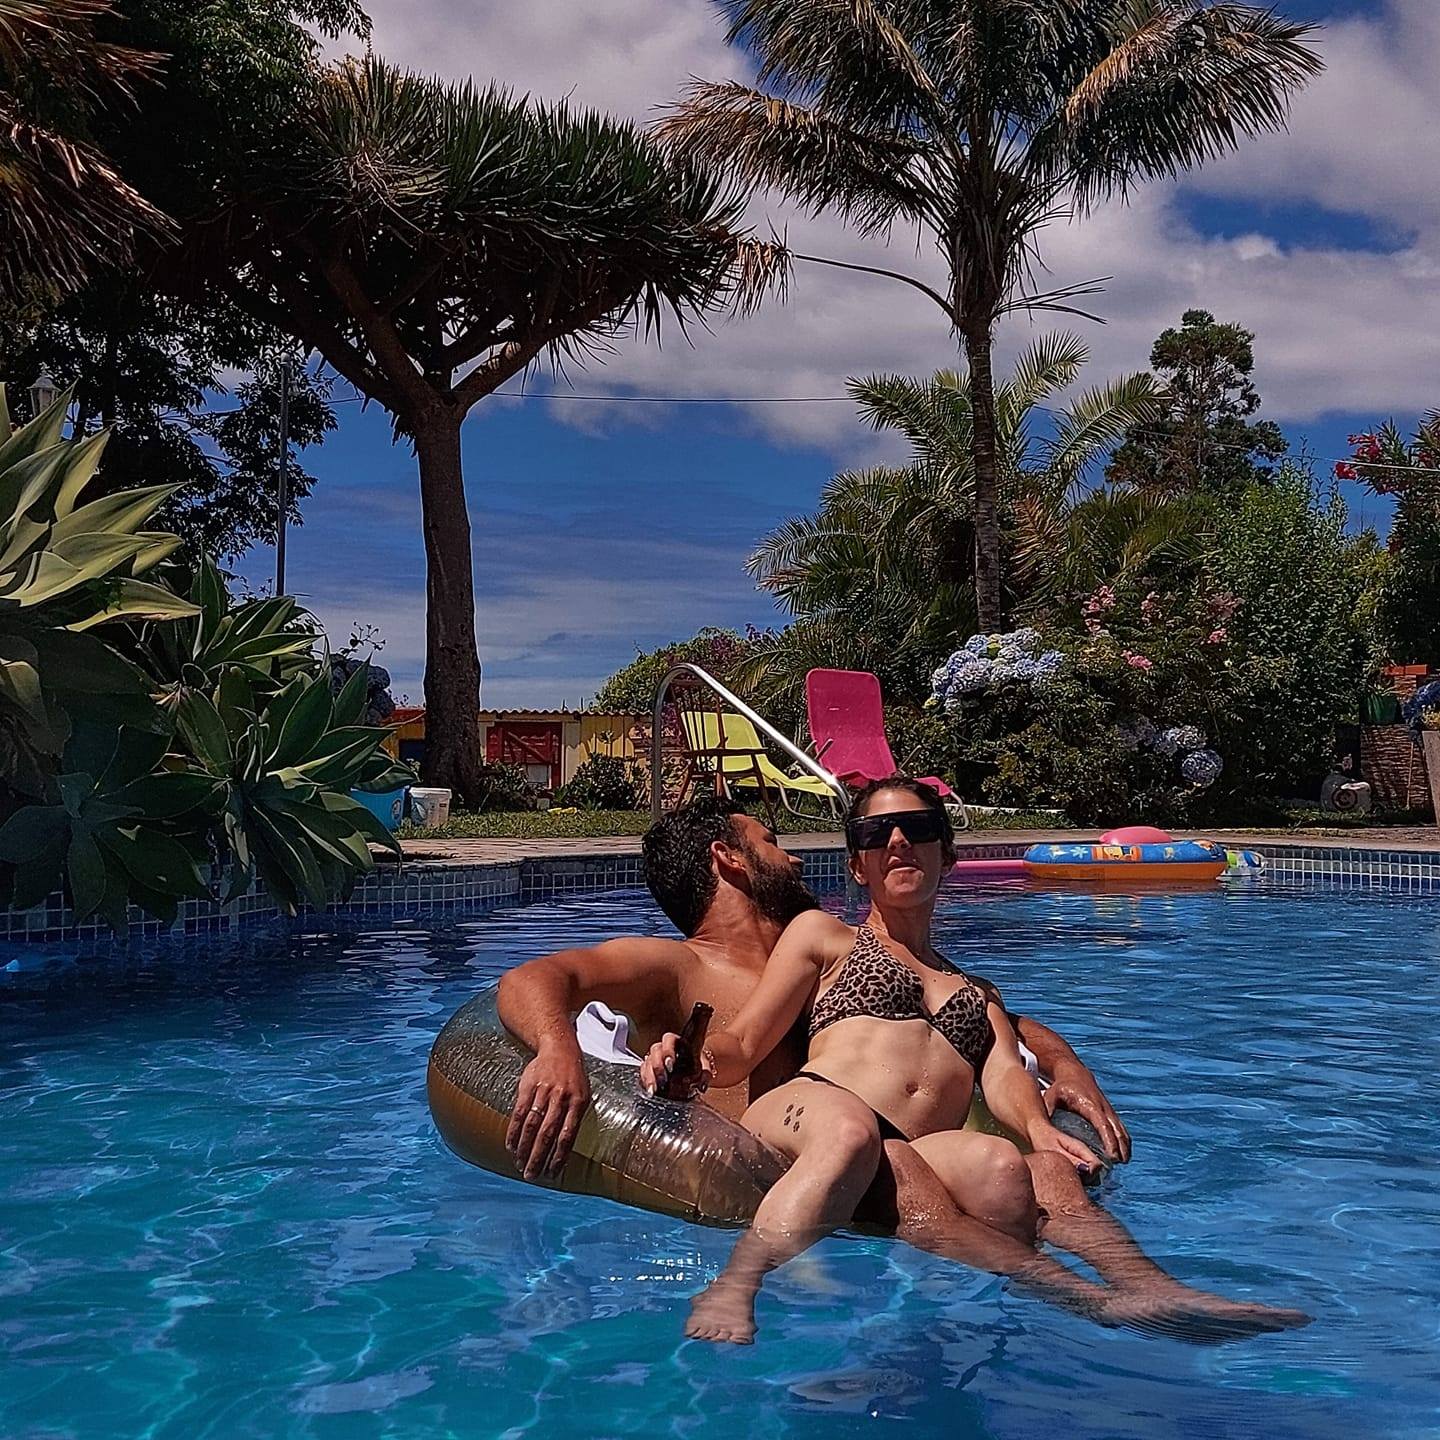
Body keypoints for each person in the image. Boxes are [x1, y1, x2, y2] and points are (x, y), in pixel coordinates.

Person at [499, 792, 1303, 1344]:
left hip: (898, 1140)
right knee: (868, 1141)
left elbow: (999, 1050)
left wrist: (1051, 1090)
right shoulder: (717, 958)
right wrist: (574, 1049)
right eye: (774, 840)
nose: (794, 855)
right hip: (811, 1128)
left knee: (1020, 1171)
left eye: (916, 830)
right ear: (730, 859)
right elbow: (721, 1041)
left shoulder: (949, 981)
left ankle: (1146, 1287)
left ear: (945, 853)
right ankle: (1078, 1300)